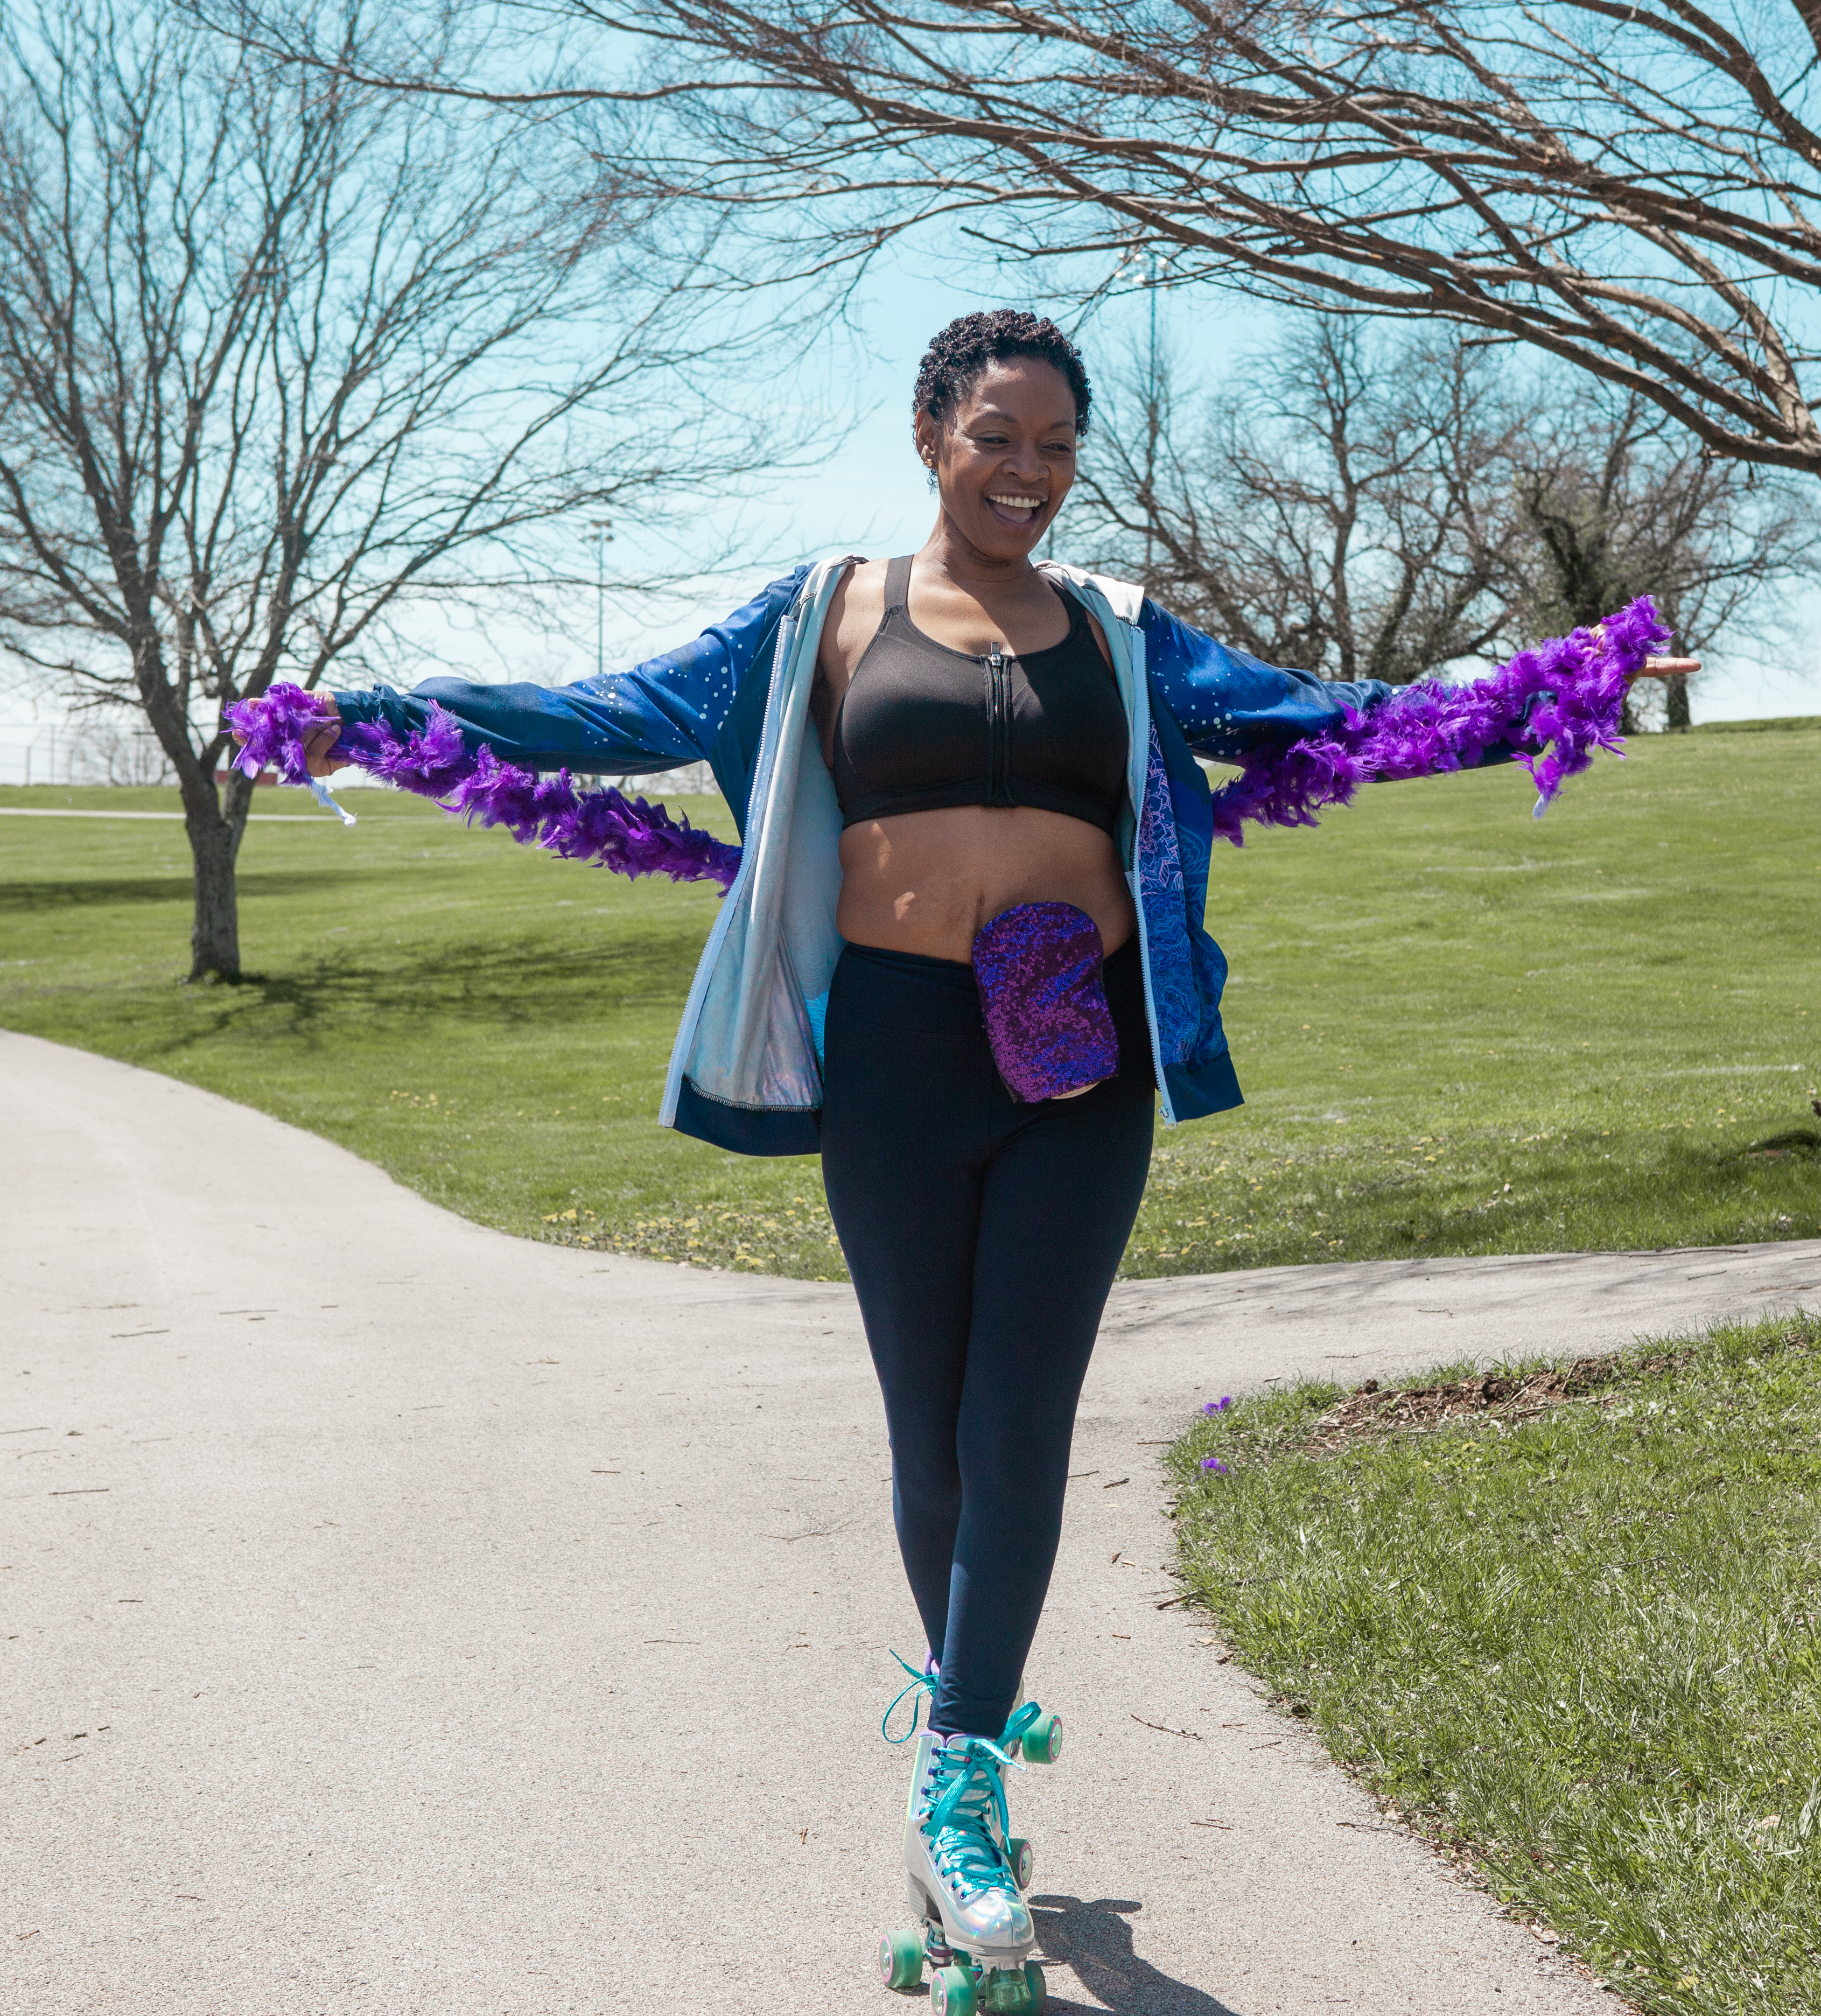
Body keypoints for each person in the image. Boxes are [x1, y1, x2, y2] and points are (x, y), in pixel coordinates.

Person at [270, 309, 1692, 2010]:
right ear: (931, 435)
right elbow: (610, 713)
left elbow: (1331, 717)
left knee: (1025, 1413)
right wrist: (366, 715)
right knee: (928, 1417)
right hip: (895, 1050)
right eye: (997, 436)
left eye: (1056, 446)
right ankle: (972, 1701)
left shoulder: (1124, 633)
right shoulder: (827, 617)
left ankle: (955, 1769)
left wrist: (1564, 680)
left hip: (1081, 1057)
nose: (1028, 471)